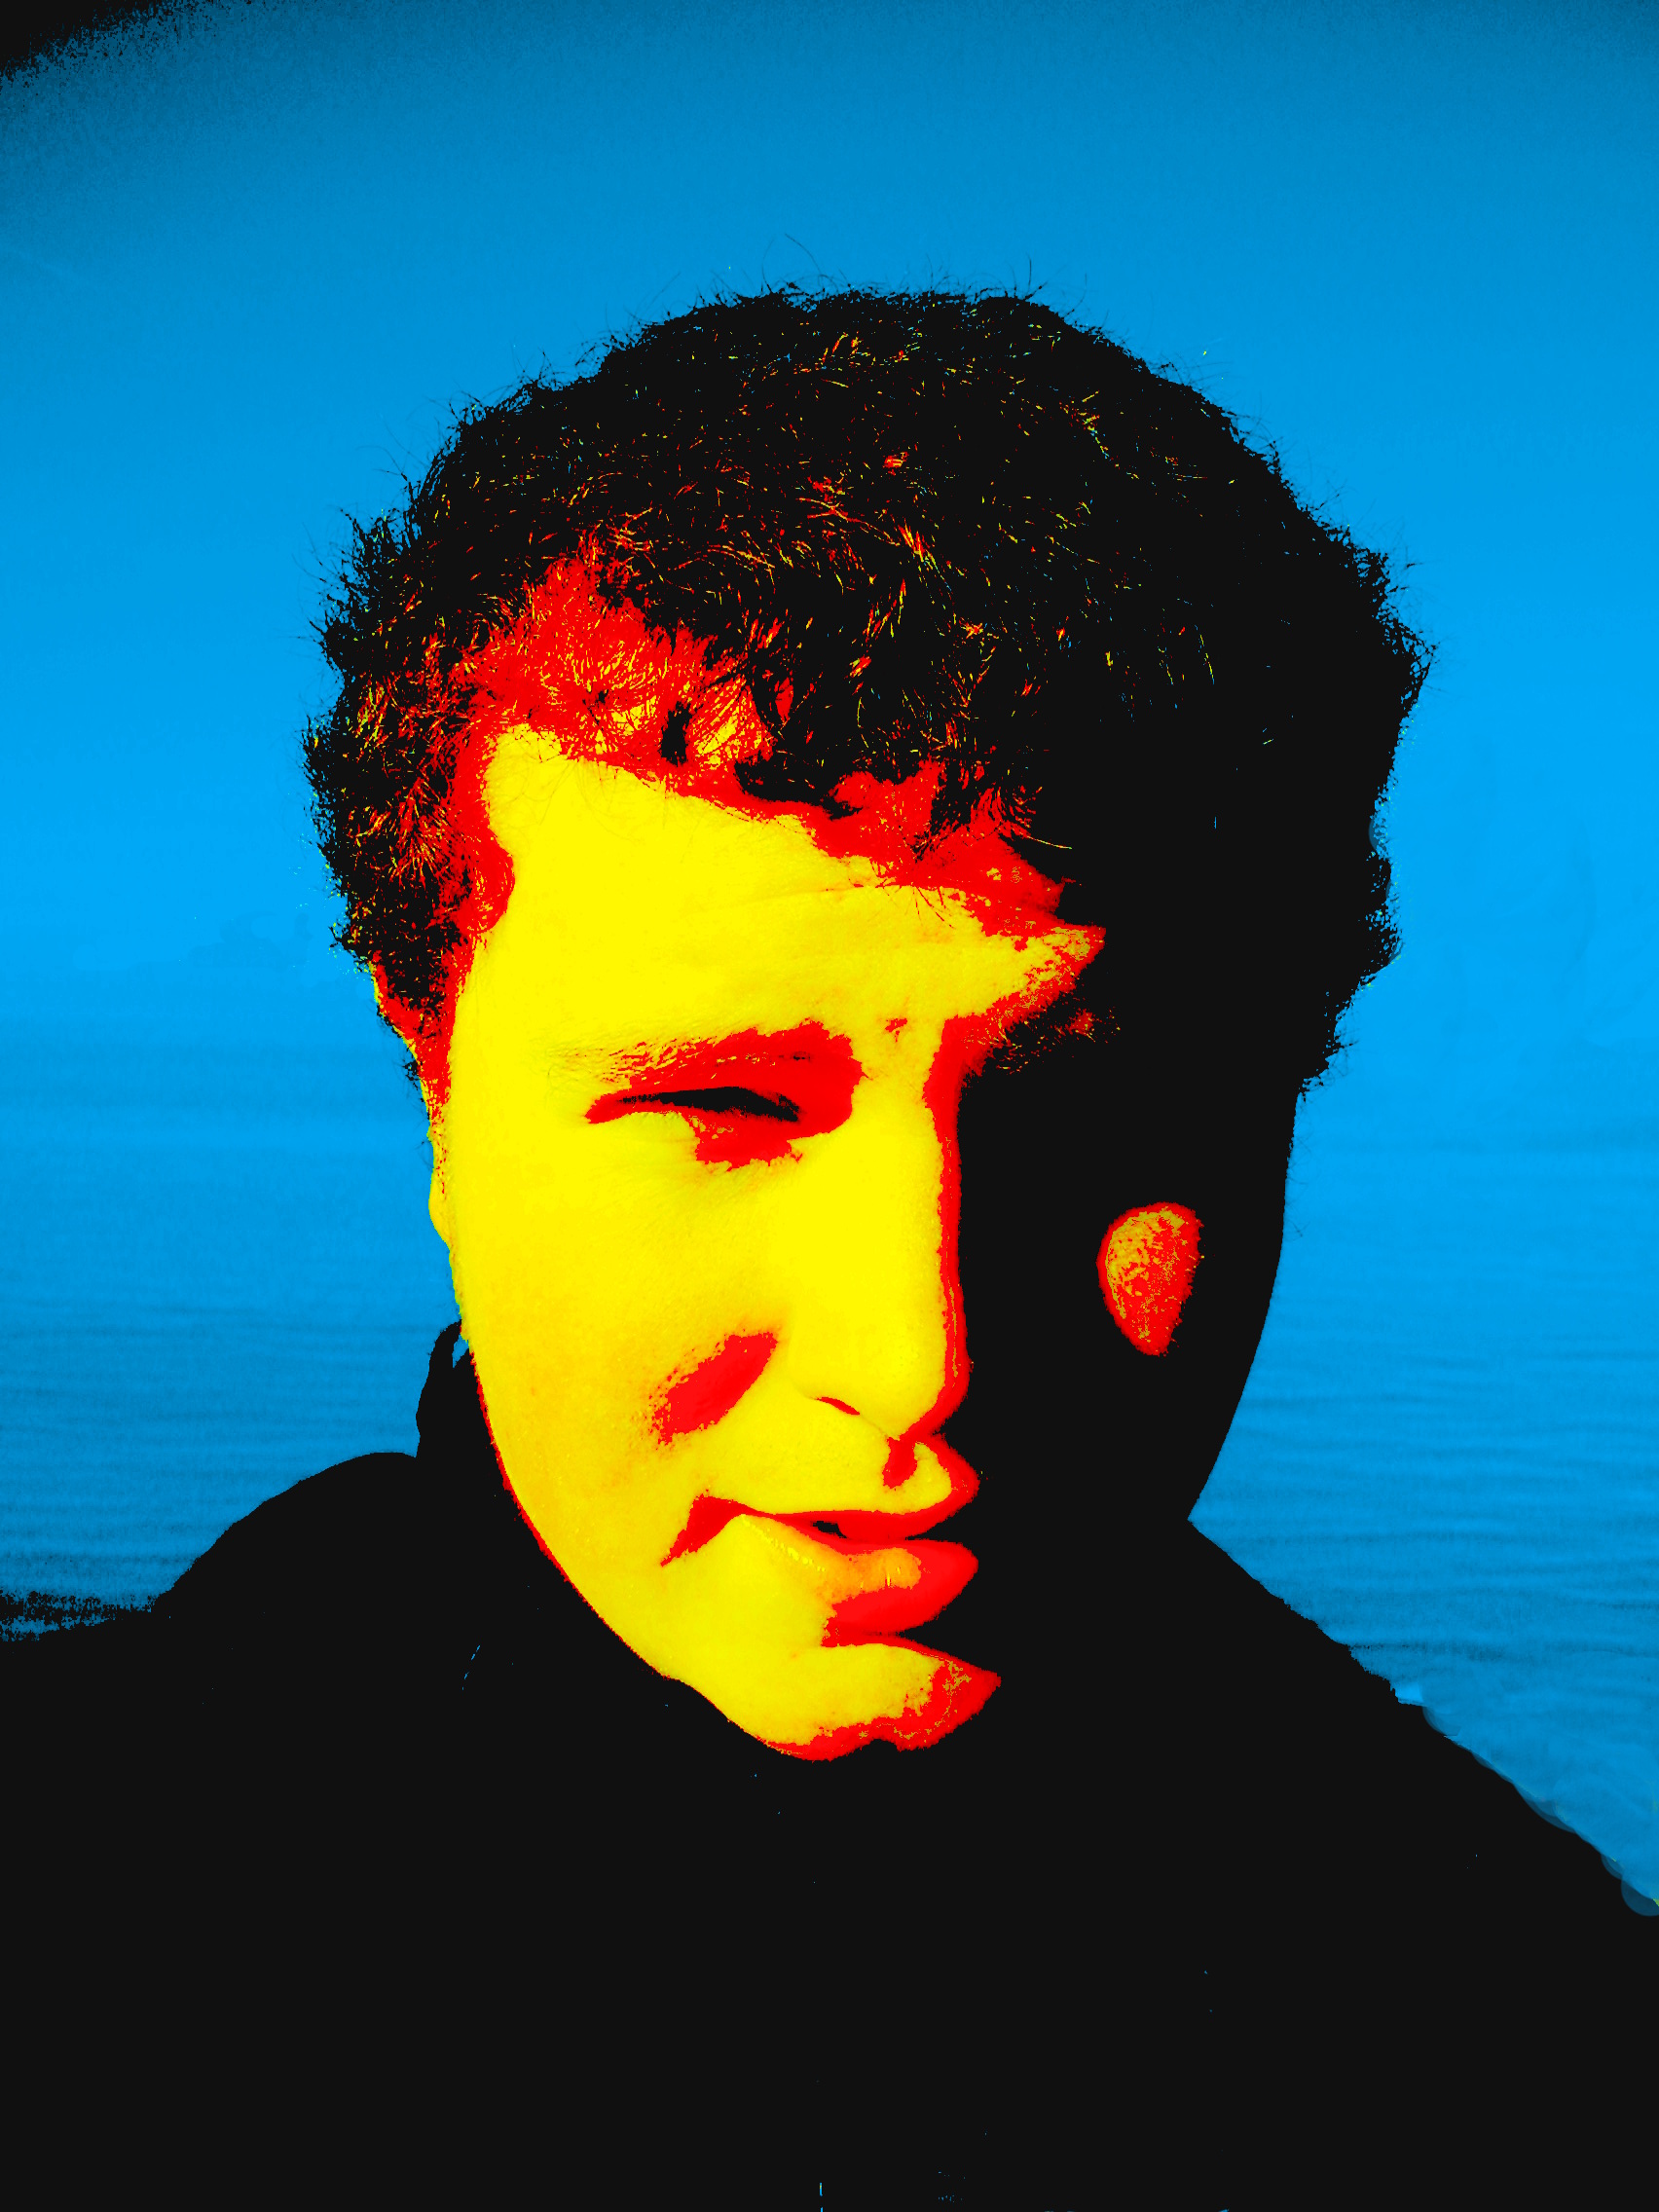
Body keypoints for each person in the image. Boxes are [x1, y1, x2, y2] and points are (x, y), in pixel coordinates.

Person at [6, 288, 1649, 2205]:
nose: (920, 1357)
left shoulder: (1531, 2044)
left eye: (1109, 1122)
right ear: (436, 1087)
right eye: (726, 1106)